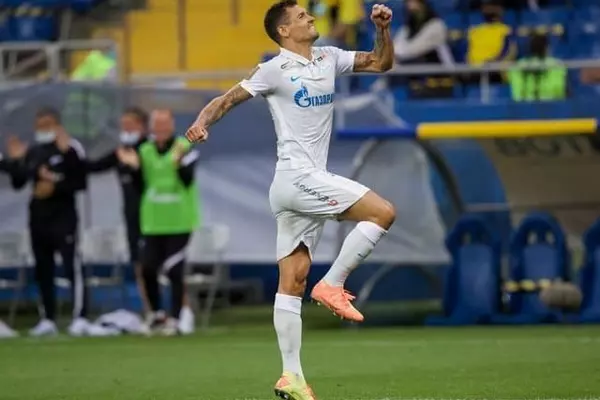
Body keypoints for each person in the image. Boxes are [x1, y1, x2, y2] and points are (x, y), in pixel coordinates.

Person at [185, 1, 396, 399]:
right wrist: (200, 122)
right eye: (301, 16)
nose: (310, 17)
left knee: (293, 282)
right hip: (298, 179)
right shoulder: (273, 69)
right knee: (383, 213)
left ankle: (292, 377)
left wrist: (382, 30)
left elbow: (380, 63)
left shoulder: (329, 57)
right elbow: (226, 99)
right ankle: (332, 284)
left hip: (297, 187)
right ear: (283, 31)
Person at [118, 109, 200, 336]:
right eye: (157, 124)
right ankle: (156, 315)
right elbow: (139, 186)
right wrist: (132, 168)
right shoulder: (144, 150)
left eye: (165, 124)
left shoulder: (185, 147)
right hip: (153, 221)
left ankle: (177, 317)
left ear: (172, 125)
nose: (161, 129)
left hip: (179, 221)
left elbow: (188, 179)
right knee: (147, 268)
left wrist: (179, 163)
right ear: (151, 127)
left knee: (174, 269)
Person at [9, 107, 89, 337]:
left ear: (57, 126)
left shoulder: (70, 148)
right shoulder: (34, 151)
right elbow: (19, 182)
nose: (43, 130)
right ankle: (48, 318)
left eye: (47, 125)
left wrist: (55, 186)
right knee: (43, 269)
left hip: (63, 218)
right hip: (38, 218)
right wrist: (16, 161)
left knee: (71, 266)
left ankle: (80, 317)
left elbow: (80, 182)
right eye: (40, 126)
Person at [86, 107, 151, 314]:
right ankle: (150, 311)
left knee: (158, 264)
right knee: (139, 264)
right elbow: (93, 166)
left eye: (131, 126)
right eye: (123, 126)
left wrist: (137, 167)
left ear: (142, 127)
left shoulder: (150, 150)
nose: (126, 130)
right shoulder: (121, 152)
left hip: (153, 217)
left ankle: (175, 310)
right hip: (132, 216)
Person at [508, 32, 566, 102]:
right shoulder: (557, 64)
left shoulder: (517, 66)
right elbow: (559, 92)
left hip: (524, 106)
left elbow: (517, 96)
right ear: (546, 48)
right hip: (552, 106)